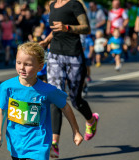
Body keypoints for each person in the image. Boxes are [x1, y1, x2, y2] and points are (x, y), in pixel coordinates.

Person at [0, 42, 83, 160]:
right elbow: (1, 110)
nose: (22, 67)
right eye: (18, 63)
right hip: (16, 143)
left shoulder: (47, 90)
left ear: (40, 66)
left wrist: (76, 131)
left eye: (27, 64)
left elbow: (64, 106)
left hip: (39, 144)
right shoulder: (7, 87)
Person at [39, 0, 99, 158]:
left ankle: (91, 120)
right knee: (55, 98)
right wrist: (46, 41)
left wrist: (68, 27)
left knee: (75, 100)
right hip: (54, 56)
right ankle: (54, 144)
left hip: (73, 56)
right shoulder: (52, 5)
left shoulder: (74, 4)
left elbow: (86, 28)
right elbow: (55, 30)